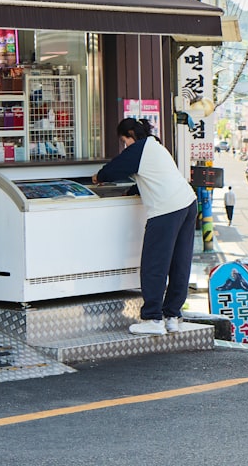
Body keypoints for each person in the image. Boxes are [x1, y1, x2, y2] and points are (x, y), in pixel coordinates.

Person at [92, 117, 198, 336]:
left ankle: (153, 318)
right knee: (179, 263)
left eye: (124, 141)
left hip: (167, 209)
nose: (125, 146)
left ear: (130, 135)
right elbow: (151, 178)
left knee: (154, 264)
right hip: (187, 203)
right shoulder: (155, 146)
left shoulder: (139, 149)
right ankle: (171, 316)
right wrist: (130, 191)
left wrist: (97, 177)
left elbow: (112, 170)